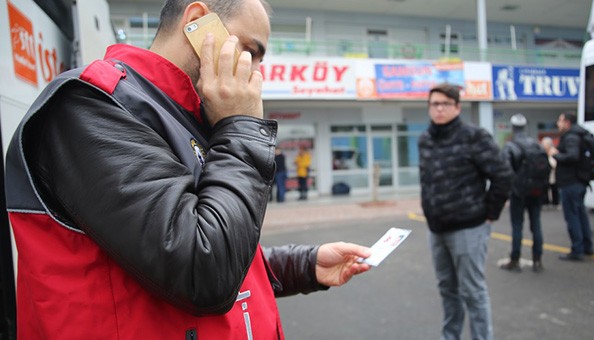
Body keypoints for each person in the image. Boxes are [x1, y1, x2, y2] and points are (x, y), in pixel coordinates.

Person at [4, 0, 372, 338]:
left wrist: (304, 265)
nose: (256, 74)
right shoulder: (93, 106)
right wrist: (242, 123)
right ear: (198, 23)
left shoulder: (190, 118)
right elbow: (204, 267)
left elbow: (212, 242)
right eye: (250, 51)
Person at [418, 83, 513, 340]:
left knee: (473, 292)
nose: (438, 109)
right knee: (447, 289)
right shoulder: (425, 139)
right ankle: (450, 336)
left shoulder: (474, 136)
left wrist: (489, 214)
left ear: (457, 107)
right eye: (434, 104)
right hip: (436, 230)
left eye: (445, 104)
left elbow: (503, 176)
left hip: (469, 228)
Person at [499, 114, 546, 273]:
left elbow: (505, 172)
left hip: (519, 192)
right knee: (536, 225)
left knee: (517, 226)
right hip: (537, 191)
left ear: (512, 127)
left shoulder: (510, 146)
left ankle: (515, 259)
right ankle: (537, 259)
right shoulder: (536, 144)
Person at [550, 111, 594, 261]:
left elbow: (572, 156)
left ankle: (577, 250)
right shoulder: (579, 135)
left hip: (571, 182)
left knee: (572, 217)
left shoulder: (571, 137)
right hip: (579, 181)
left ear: (567, 123)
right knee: (581, 214)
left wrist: (555, 154)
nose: (558, 123)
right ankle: (587, 246)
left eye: (560, 120)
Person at [541, 136, 560, 209]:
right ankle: (546, 202)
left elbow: (554, 163)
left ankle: (555, 203)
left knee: (554, 188)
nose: (543, 145)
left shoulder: (553, 151)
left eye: (544, 144)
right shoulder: (543, 151)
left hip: (553, 174)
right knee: (545, 188)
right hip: (546, 174)